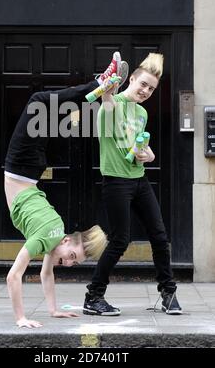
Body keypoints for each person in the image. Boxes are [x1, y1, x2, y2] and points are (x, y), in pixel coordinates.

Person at [4, 53, 127, 328]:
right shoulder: (45, 237)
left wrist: (53, 310)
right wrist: (21, 318)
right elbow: (14, 275)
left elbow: (46, 275)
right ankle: (102, 86)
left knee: (51, 112)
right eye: (72, 257)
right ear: (67, 241)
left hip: (30, 168)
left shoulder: (52, 236)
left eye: (73, 262)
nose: (68, 264)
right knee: (40, 104)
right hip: (22, 166)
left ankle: (105, 91)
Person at [83, 53, 183, 317]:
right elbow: (109, 111)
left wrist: (149, 154)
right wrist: (107, 91)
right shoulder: (111, 102)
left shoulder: (141, 112)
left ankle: (168, 293)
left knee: (160, 236)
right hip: (116, 182)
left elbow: (139, 143)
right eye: (143, 85)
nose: (146, 91)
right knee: (120, 240)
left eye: (151, 88)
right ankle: (93, 297)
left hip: (139, 179)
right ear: (132, 80)